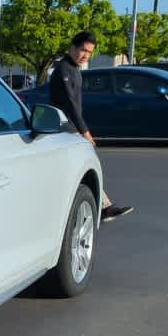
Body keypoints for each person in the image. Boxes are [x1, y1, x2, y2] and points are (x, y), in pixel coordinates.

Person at [49, 31, 133, 222]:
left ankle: (104, 206)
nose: (85, 55)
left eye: (89, 52)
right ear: (72, 47)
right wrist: (85, 131)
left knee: (84, 165)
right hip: (64, 129)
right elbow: (70, 104)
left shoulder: (74, 70)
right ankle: (102, 207)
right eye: (83, 50)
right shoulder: (64, 69)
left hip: (71, 128)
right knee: (85, 164)